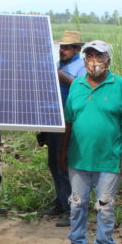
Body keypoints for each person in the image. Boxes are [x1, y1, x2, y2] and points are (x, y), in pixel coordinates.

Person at [59, 40, 122, 244]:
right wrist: (63, 151)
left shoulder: (120, 85)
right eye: (90, 56)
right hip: (78, 158)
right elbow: (69, 121)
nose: (94, 61)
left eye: (99, 56)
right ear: (84, 60)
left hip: (109, 159)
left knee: (104, 206)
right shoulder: (77, 85)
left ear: (108, 60)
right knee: (77, 203)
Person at [40, 31, 86, 228]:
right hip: (53, 121)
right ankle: (60, 202)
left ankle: (70, 210)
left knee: (64, 166)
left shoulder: (81, 67)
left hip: (70, 124)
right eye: (61, 47)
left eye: (67, 47)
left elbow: (82, 88)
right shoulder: (60, 65)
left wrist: (61, 76)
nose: (62, 50)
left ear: (77, 49)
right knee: (53, 164)